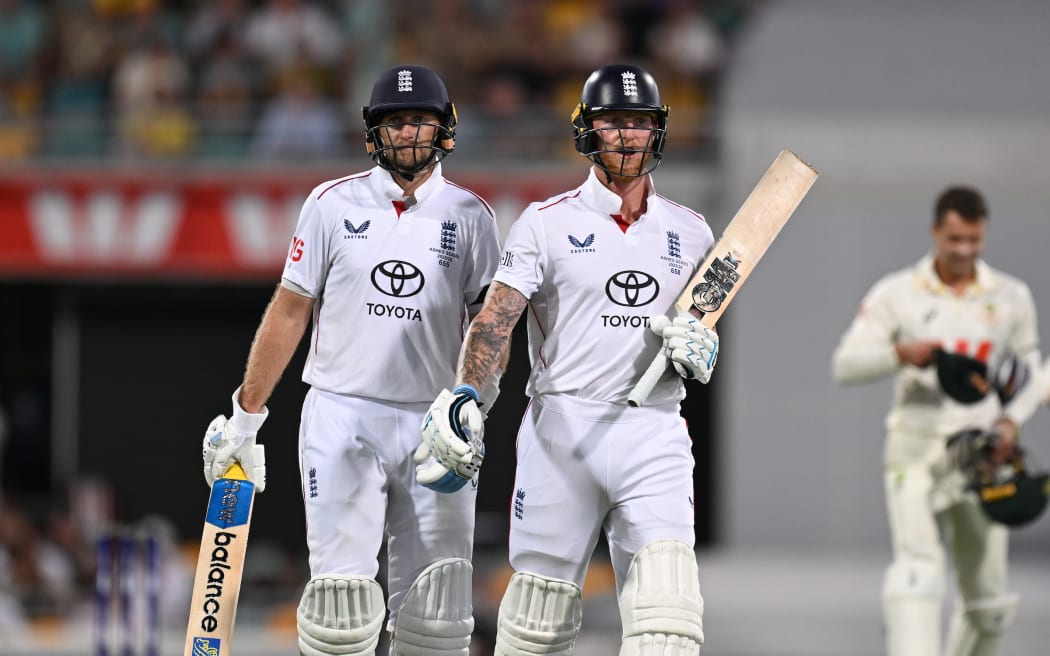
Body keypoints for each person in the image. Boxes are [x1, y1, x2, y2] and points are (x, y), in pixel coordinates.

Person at [200, 64, 503, 655]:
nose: (409, 133)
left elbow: (491, 327)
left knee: (436, 618)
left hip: (433, 420)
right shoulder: (330, 204)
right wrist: (245, 416)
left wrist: (473, 403)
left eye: (421, 120)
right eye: (396, 121)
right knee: (339, 609)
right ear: (373, 131)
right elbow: (289, 312)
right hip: (342, 411)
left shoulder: (473, 217)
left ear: (445, 130)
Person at [416, 64, 715, 655]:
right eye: (612, 123)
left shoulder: (694, 231)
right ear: (586, 130)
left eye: (639, 123)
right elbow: (495, 322)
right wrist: (466, 393)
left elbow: (697, 327)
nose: (627, 136)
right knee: (535, 627)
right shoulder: (546, 224)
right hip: (562, 430)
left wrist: (702, 348)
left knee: (668, 620)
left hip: (653, 432)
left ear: (657, 131)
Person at [831, 186, 1045, 656]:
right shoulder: (897, 294)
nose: (965, 250)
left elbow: (1034, 373)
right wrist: (899, 353)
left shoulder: (1011, 296)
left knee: (990, 608)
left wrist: (1011, 422)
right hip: (916, 451)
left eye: (974, 239)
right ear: (935, 232)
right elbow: (845, 364)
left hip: (981, 456)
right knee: (918, 576)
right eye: (955, 239)